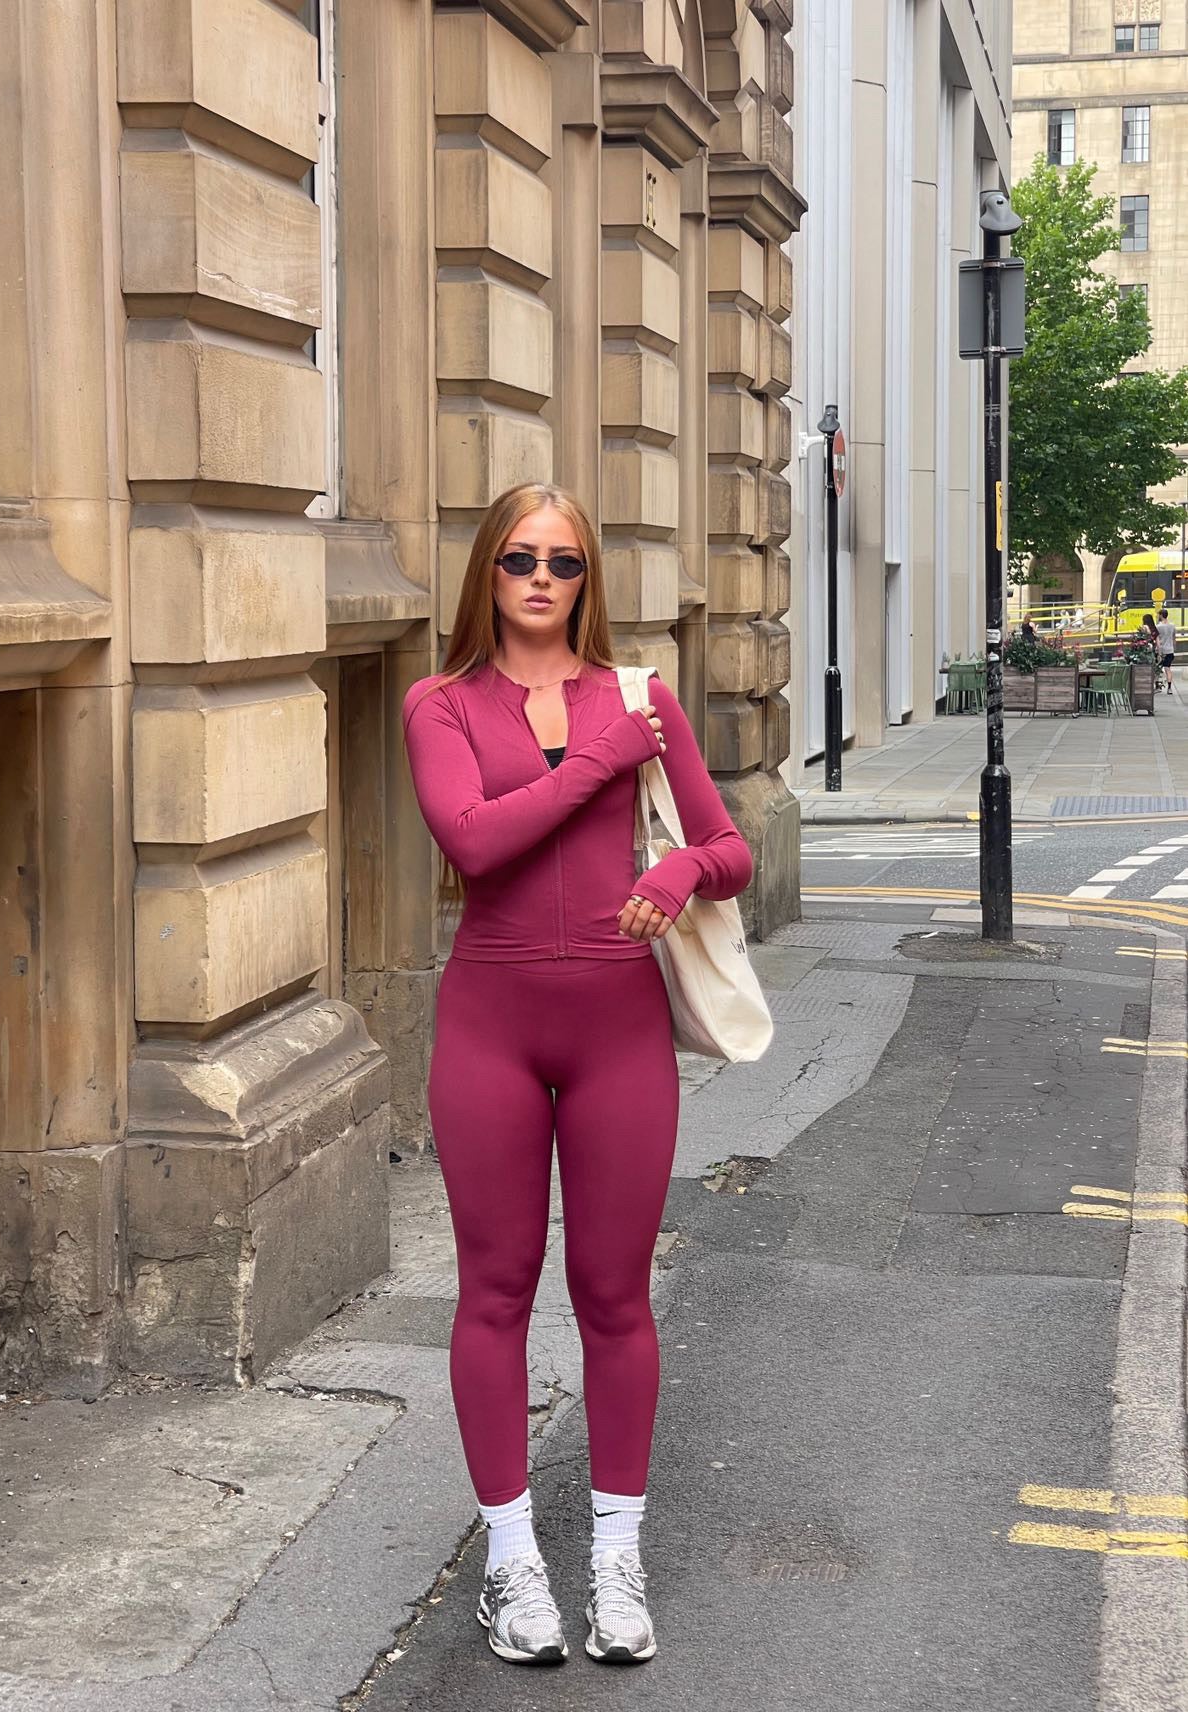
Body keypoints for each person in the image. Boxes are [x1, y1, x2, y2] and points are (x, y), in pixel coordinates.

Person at [402, 482, 753, 1667]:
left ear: (588, 578)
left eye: (564, 562)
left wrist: (678, 874)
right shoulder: (440, 702)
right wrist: (602, 758)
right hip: (489, 1026)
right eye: (519, 559)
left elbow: (729, 846)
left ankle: (615, 1556)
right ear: (487, 574)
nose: (542, 579)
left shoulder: (642, 697)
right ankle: (512, 1561)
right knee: (495, 1290)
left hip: (618, 1029)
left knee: (615, 1294)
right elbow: (475, 838)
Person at [1156, 607, 1176, 692]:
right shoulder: (1172, 626)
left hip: (1161, 650)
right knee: (1168, 668)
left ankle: (1157, 686)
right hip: (1170, 650)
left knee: (1158, 669)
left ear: (1161, 615)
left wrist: (1158, 651)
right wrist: (1173, 649)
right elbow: (1174, 638)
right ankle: (1169, 688)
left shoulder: (1158, 627)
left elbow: (1157, 640)